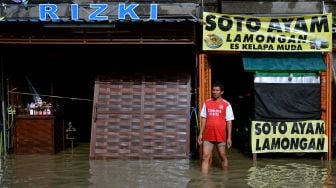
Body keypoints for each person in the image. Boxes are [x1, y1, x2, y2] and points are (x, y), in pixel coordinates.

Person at [197, 81, 234, 173]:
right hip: (208, 135)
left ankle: (225, 176)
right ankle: (204, 181)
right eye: (213, 90)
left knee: (222, 155)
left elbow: (229, 121)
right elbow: (204, 119)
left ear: (222, 92)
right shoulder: (207, 103)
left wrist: (229, 138)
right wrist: (201, 134)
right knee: (205, 156)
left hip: (220, 135)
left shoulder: (227, 104)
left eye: (217, 90)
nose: (214, 92)